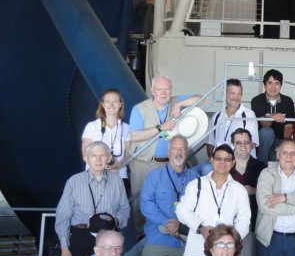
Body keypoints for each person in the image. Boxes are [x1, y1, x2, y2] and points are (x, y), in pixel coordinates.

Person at [176, 143, 252, 256]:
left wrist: (230, 238)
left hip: (225, 252)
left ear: (232, 163)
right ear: (211, 160)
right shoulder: (197, 184)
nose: (222, 162)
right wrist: (200, 228)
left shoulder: (238, 189)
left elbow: (245, 219)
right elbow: (182, 210)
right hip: (198, 248)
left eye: (227, 159)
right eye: (218, 158)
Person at [127, 74, 201, 209]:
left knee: (167, 201)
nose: (164, 93)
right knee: (142, 202)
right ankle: (140, 231)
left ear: (171, 89)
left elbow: (200, 98)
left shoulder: (175, 101)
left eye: (167, 89)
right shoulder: (139, 109)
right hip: (145, 163)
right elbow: (135, 136)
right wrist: (160, 128)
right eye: (159, 89)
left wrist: (179, 104)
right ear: (152, 90)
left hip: (169, 164)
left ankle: (168, 230)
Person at [55, 141, 130, 256]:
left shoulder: (117, 181)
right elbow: (63, 217)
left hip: (109, 238)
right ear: (87, 158)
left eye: (102, 155)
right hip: (81, 237)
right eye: (94, 155)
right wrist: (64, 248)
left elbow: (125, 209)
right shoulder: (74, 181)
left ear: (108, 158)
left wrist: (115, 221)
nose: (99, 159)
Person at [229, 127, 265, 256]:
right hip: (228, 223)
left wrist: (254, 191)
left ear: (252, 144)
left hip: (252, 225)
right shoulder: (225, 167)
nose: (243, 146)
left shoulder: (261, 168)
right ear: (233, 145)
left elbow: (268, 196)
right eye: (238, 143)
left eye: (246, 142)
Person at [80, 89, 132, 193]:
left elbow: (128, 156)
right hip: (95, 177)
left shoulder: (127, 128)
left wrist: (117, 166)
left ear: (121, 104)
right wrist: (104, 170)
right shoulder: (92, 126)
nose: (111, 105)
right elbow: (86, 156)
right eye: (107, 101)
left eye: (115, 101)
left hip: (119, 176)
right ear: (102, 104)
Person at [250, 68, 295, 163]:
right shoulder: (257, 100)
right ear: (265, 85)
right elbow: (264, 124)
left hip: (279, 141)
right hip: (261, 142)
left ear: (281, 85)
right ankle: (261, 165)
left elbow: (289, 127)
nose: (273, 87)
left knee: (276, 156)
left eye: (277, 83)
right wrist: (272, 116)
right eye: (270, 83)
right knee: (267, 132)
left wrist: (283, 146)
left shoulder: (287, 101)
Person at [207, 79, 259, 157]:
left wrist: (233, 159)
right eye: (232, 93)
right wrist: (213, 159)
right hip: (220, 163)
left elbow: (252, 143)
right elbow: (210, 144)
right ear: (224, 94)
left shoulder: (249, 115)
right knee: (203, 169)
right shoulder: (216, 117)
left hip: (242, 163)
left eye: (239, 94)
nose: (236, 97)